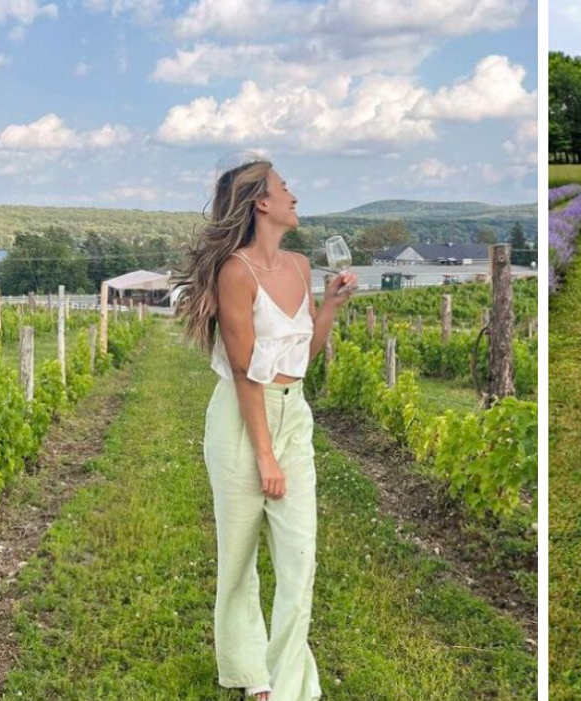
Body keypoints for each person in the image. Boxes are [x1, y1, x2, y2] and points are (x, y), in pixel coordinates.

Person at [172, 155, 358, 700]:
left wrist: (327, 308)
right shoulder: (236, 272)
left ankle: (291, 686)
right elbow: (243, 368)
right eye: (285, 188)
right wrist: (264, 455)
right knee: (239, 558)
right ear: (262, 203)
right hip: (240, 421)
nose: (294, 196)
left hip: (292, 414)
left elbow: (301, 357)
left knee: (300, 561)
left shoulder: (300, 266)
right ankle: (253, 678)